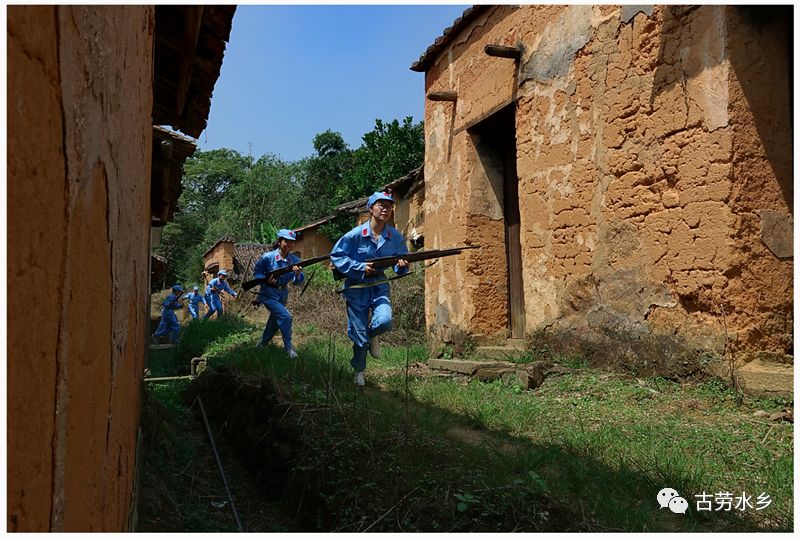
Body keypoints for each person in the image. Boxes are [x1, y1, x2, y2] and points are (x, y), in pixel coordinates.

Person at [330, 191, 409, 386]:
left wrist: (401, 264)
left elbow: (402, 267)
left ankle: (372, 334)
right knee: (358, 336)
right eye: (380, 205)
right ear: (371, 208)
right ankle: (359, 371)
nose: (385, 209)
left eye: (389, 206)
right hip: (356, 287)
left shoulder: (395, 237)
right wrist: (359, 267)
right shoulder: (355, 235)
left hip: (379, 284)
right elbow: (337, 256)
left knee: (384, 320)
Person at [252, 229, 304, 359]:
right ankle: (288, 348)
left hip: (282, 294)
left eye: (292, 242)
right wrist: (266, 279)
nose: (289, 245)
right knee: (286, 317)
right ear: (280, 242)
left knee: (274, 321)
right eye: (287, 241)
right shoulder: (267, 257)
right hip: (268, 293)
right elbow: (257, 273)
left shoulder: (294, 260)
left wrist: (297, 274)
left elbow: (298, 282)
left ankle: (262, 344)